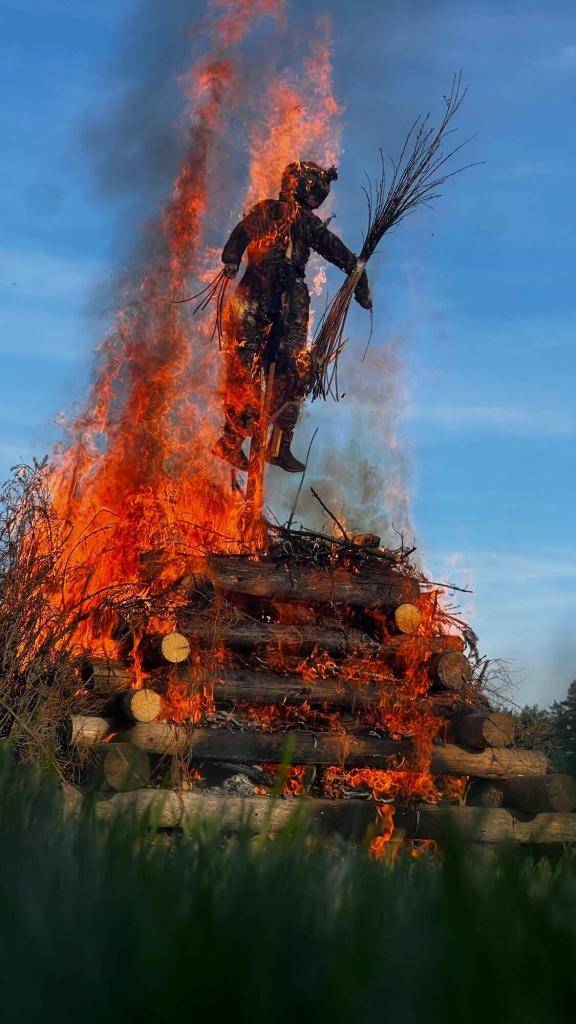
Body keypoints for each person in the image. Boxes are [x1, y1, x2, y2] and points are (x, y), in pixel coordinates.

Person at [213, 160, 372, 473]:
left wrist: (359, 279)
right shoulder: (269, 210)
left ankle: (280, 444)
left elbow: (338, 252)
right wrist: (231, 260)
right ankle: (232, 439)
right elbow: (241, 234)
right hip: (258, 290)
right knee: (247, 369)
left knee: (294, 368)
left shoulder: (307, 223)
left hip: (286, 297)